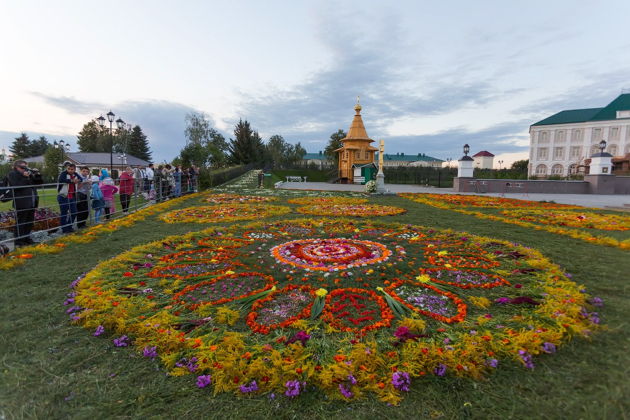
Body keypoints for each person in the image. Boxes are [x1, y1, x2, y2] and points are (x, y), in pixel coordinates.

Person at [3, 160, 43, 246]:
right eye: (22, 167)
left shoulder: (27, 174)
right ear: (16, 167)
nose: (24, 169)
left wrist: (37, 174)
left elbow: (39, 182)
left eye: (25, 167)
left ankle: (26, 238)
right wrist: (25, 177)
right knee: (21, 222)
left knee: (29, 222)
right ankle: (18, 241)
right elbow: (16, 186)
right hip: (22, 202)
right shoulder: (12, 174)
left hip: (32, 202)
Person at [57, 163, 82, 234]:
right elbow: (61, 180)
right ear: (66, 168)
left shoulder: (75, 174)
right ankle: (64, 229)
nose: (70, 170)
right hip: (63, 196)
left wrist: (78, 180)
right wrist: (72, 181)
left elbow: (80, 179)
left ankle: (69, 226)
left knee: (74, 212)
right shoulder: (63, 173)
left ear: (74, 169)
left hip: (72, 197)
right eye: (69, 169)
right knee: (64, 213)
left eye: (72, 169)